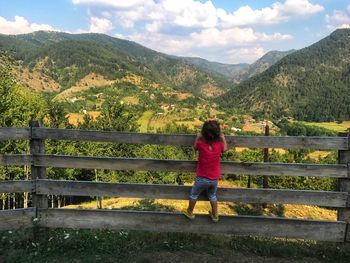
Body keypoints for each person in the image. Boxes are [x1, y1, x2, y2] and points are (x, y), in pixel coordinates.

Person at [183, 120, 227, 222]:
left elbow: (195, 147)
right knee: (212, 196)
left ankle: (190, 212)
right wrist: (223, 139)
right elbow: (225, 149)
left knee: (194, 195)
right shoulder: (219, 145)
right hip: (214, 179)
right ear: (218, 134)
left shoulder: (201, 144)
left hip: (201, 178)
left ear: (203, 133)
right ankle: (215, 215)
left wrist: (198, 137)